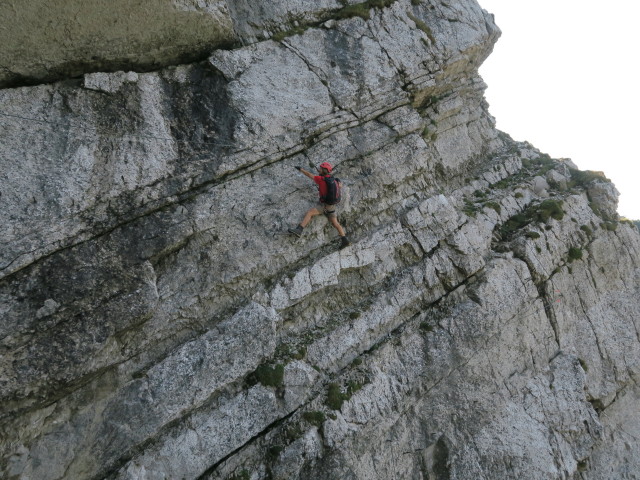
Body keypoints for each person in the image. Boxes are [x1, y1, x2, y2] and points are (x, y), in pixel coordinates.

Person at [288, 162, 351, 249]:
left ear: (323, 170)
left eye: (320, 168)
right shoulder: (335, 180)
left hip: (324, 206)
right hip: (332, 206)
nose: (319, 169)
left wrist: (300, 169)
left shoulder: (320, 179)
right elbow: (340, 185)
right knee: (336, 223)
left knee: (310, 213)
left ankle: (299, 229)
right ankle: (345, 240)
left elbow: (309, 175)